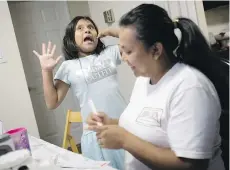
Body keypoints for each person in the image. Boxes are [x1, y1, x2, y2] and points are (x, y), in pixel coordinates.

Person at [87, 4, 226, 170]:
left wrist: (124, 140)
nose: (123, 58)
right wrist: (111, 123)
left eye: (128, 51)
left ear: (155, 50)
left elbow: (190, 165)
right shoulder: (143, 80)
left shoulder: (190, 87)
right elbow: (148, 122)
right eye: (121, 51)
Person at [33, 16, 126, 170]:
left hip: (123, 127)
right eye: (80, 28)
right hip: (95, 136)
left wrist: (109, 31)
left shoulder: (110, 53)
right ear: (71, 39)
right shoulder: (68, 66)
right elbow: (52, 102)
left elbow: (136, 40)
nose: (87, 29)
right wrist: (46, 71)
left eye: (90, 27)